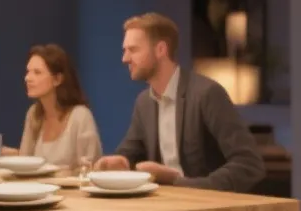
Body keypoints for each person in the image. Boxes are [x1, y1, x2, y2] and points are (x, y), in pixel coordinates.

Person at [95, 12, 264, 192]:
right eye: (125, 50)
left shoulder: (206, 94)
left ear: (161, 49)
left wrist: (180, 182)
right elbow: (131, 151)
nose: (125, 58)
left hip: (207, 209)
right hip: (166, 205)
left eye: (133, 50)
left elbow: (249, 165)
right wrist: (121, 162)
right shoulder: (145, 102)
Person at [17, 44, 103, 171]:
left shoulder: (80, 116)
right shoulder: (33, 114)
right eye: (28, 72)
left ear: (57, 79)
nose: (27, 78)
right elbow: (24, 163)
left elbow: (90, 169)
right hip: (37, 189)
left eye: (37, 72)